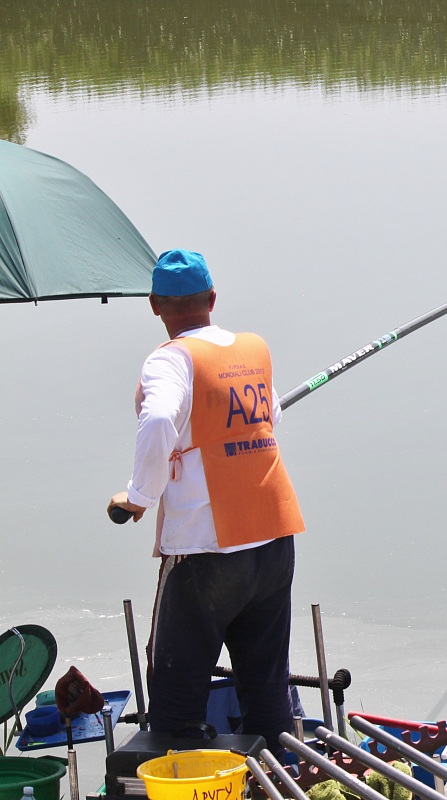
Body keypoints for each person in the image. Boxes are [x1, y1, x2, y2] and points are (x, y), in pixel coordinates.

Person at [108, 249, 304, 754]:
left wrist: (138, 497)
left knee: (176, 703)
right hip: (273, 540)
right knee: (267, 692)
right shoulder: (253, 348)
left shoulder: (171, 359)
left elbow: (156, 423)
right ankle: (276, 783)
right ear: (212, 299)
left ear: (155, 306)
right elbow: (270, 416)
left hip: (206, 550)